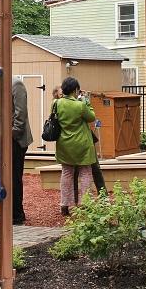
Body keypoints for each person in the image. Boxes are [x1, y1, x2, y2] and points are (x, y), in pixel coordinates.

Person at [54, 77, 97, 216]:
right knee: (85, 172)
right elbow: (91, 117)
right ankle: (85, 204)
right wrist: (86, 102)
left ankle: (64, 205)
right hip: (82, 144)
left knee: (66, 173)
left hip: (64, 144)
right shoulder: (80, 105)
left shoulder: (56, 103)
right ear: (75, 90)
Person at [11, 78, 32, 224]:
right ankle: (11, 212)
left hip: (16, 140)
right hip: (6, 139)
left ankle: (17, 214)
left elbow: (21, 112)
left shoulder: (15, 84)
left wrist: (13, 133)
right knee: (9, 177)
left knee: (14, 177)